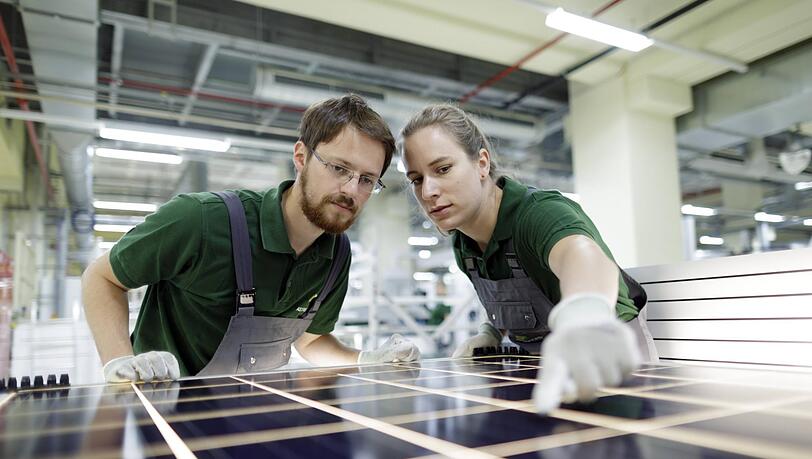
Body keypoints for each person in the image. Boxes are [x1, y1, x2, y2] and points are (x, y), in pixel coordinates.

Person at [83, 94, 420, 383]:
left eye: (366, 179)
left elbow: (311, 341)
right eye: (339, 168)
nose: (351, 189)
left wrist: (365, 360)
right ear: (301, 157)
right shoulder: (200, 220)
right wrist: (119, 361)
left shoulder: (336, 255)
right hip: (163, 413)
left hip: (248, 414)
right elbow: (101, 278)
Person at [399, 104, 657, 413]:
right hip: (538, 369)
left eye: (442, 169)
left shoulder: (538, 213)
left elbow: (581, 254)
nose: (428, 191)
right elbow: (507, 299)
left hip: (608, 358)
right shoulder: (462, 244)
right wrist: (491, 332)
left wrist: (585, 313)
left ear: (482, 164)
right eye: (416, 179)